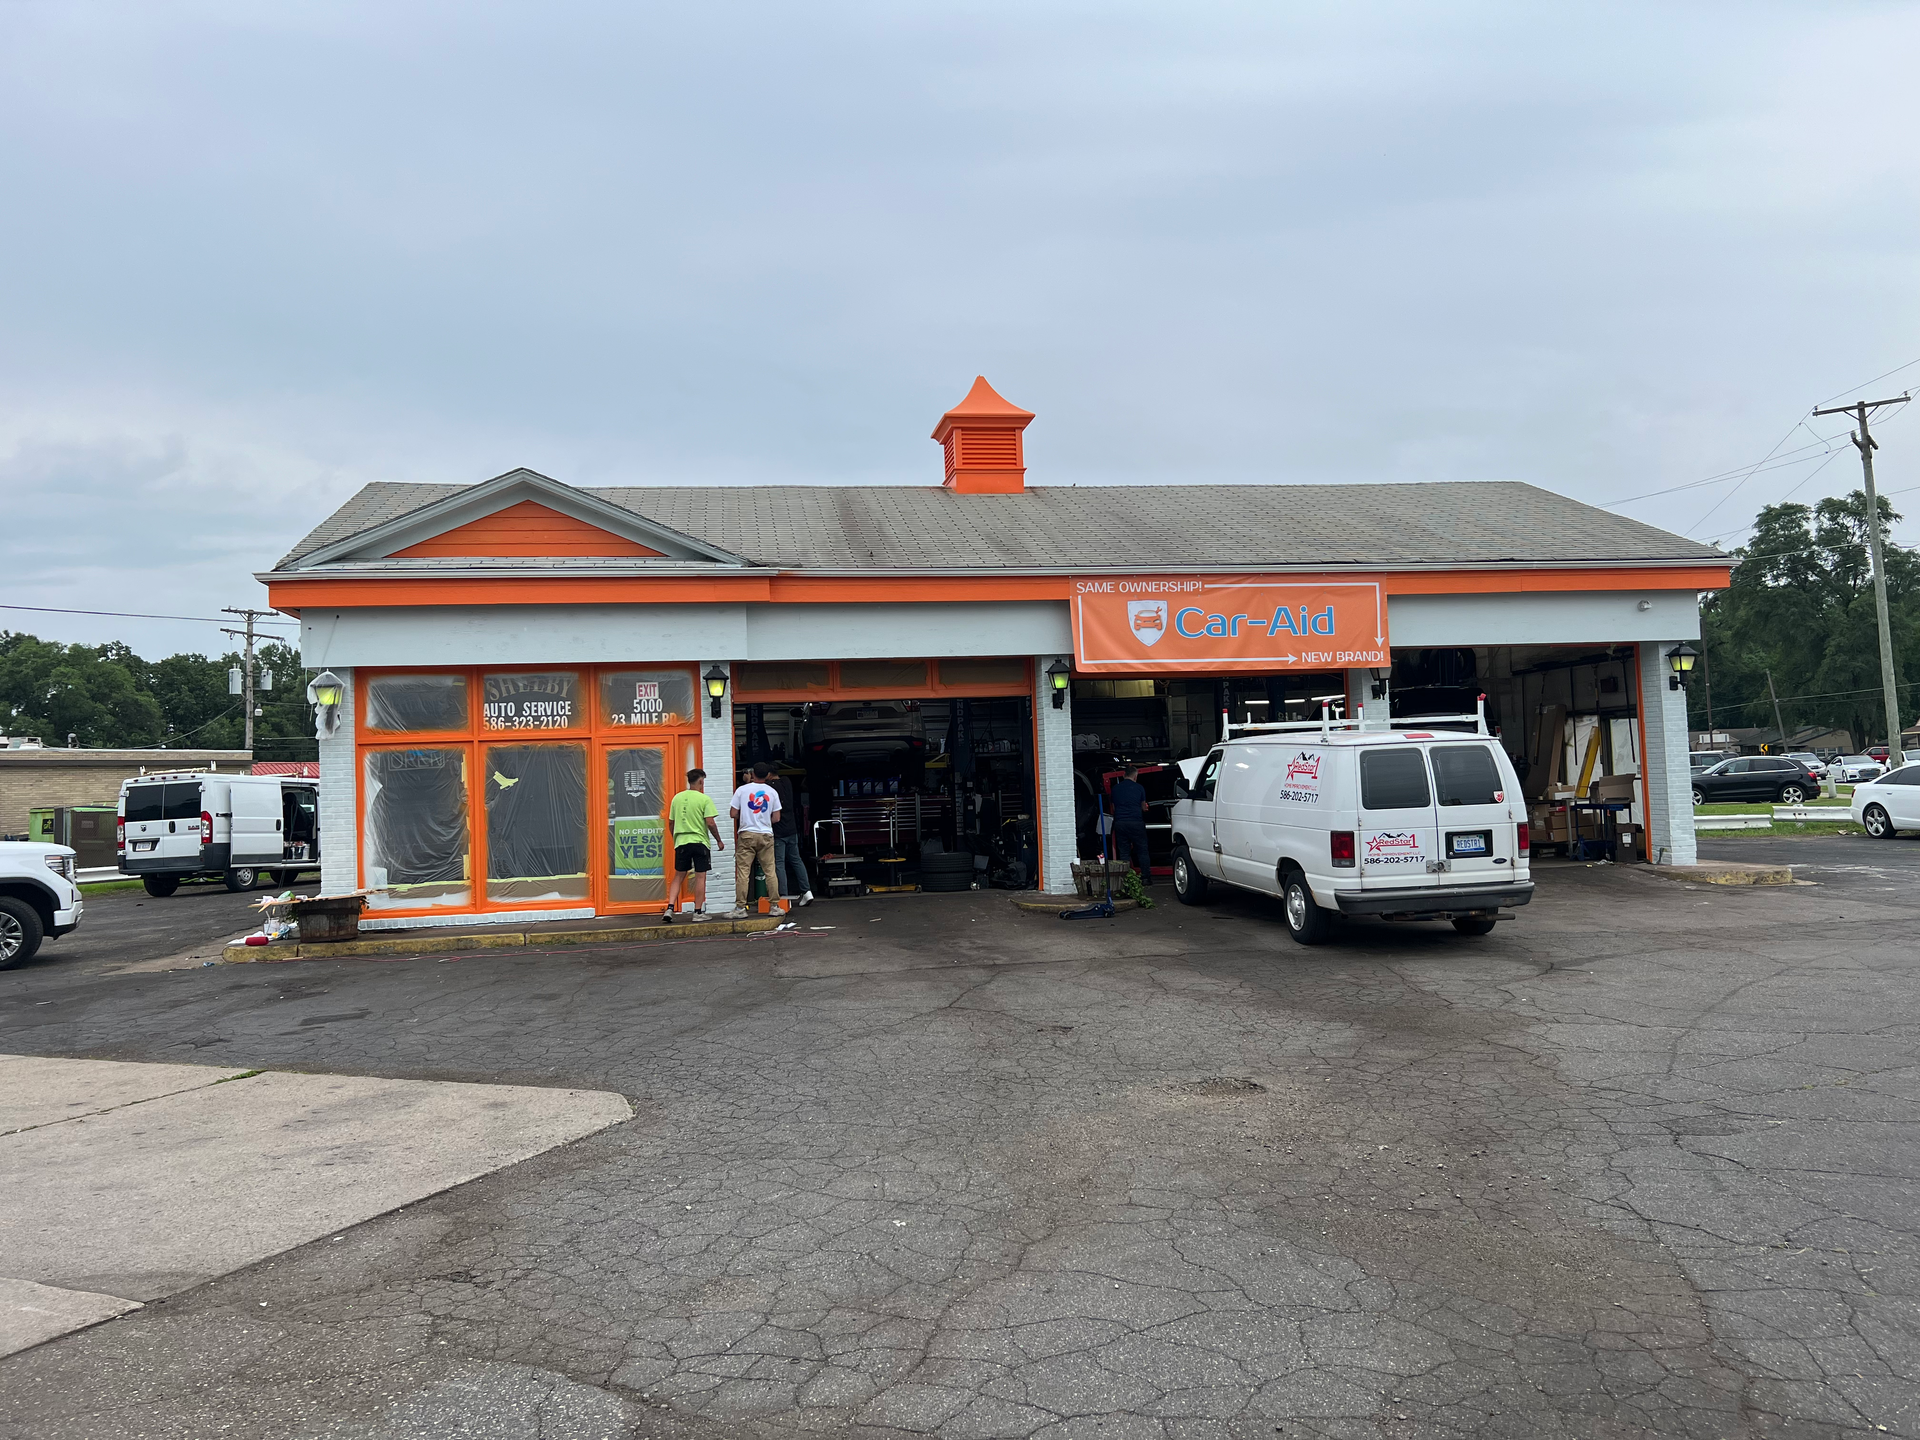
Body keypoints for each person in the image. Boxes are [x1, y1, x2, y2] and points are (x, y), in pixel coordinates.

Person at [663, 768, 724, 922]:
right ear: (701, 781)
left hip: (682, 842)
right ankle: (697, 912)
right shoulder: (704, 799)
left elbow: (671, 822)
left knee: (679, 875)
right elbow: (710, 822)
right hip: (699, 842)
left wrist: (675, 838)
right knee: (700, 877)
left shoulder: (677, 798)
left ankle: (669, 908)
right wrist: (718, 839)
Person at [728, 761, 784, 918]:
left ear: (752, 774)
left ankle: (740, 908)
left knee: (743, 872)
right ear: (767, 775)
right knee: (770, 871)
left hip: (746, 834)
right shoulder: (772, 792)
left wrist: (745, 816)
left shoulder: (741, 790)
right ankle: (774, 906)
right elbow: (777, 817)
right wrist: (764, 820)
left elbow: (733, 813)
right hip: (766, 834)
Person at [769, 769, 813, 908]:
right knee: (796, 859)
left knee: (780, 863)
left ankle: (783, 895)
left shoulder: (769, 788)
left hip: (779, 831)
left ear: (768, 774)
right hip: (792, 828)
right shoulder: (787, 782)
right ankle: (806, 891)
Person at [1109, 764, 1152, 878]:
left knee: (1124, 852)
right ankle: (1146, 878)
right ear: (1135, 776)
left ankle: (1127, 879)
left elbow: (1113, 808)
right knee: (1142, 850)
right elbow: (1144, 807)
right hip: (1136, 822)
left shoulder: (1115, 789)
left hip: (1120, 823)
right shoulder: (1139, 788)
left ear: (1124, 775)